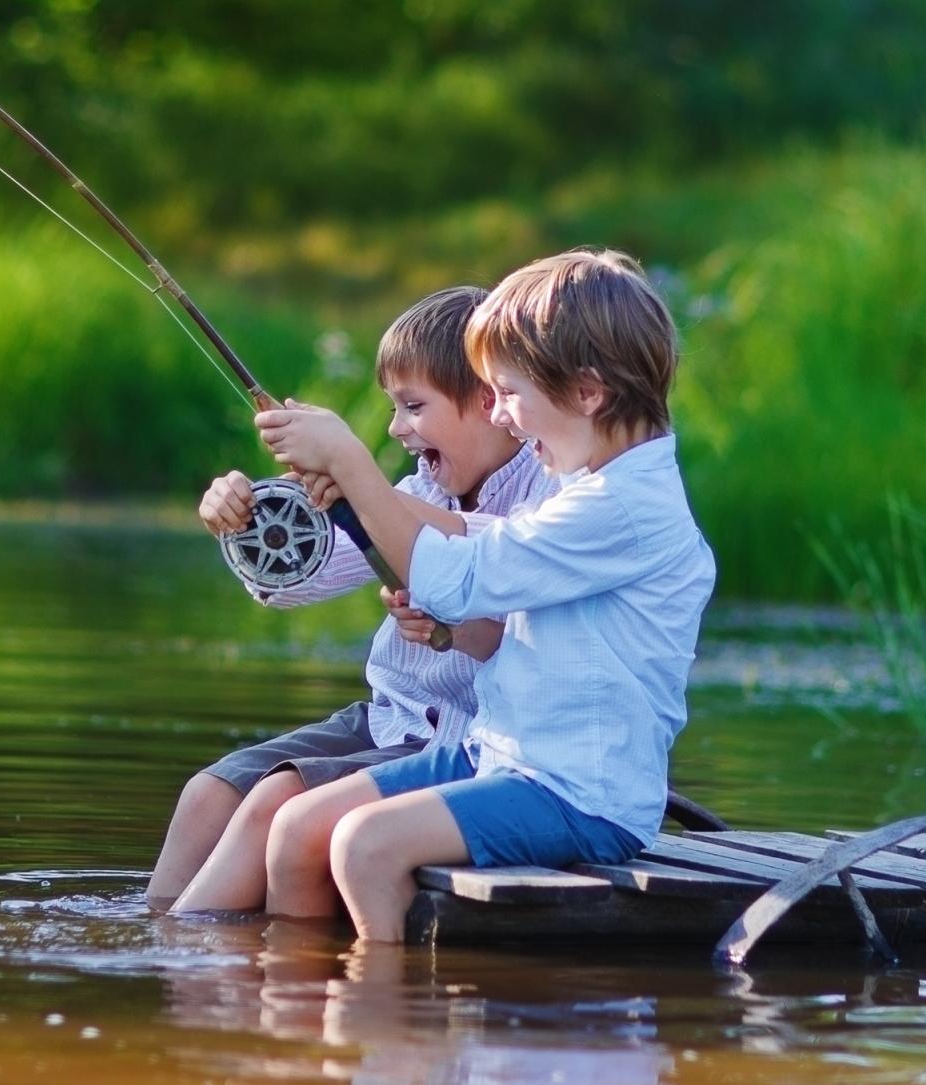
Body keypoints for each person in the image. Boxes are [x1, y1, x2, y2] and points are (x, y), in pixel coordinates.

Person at [253, 248, 716, 941]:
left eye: (508, 392)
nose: (499, 415)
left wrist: (352, 464)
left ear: (586, 394)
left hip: (575, 793)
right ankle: (296, 1011)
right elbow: (481, 573)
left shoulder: (622, 507)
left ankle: (383, 1027)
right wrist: (364, 503)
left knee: (365, 846)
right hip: (496, 753)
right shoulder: (584, 485)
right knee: (297, 826)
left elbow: (458, 577)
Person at [146, 286, 556, 913]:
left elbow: (493, 553)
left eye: (413, 406)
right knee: (209, 793)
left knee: (271, 803)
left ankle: (189, 964)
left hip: (466, 742)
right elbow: (299, 582)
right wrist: (249, 518)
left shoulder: (546, 491)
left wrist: (359, 481)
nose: (397, 428)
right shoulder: (422, 485)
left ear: (486, 401)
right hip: (389, 719)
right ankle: (154, 939)